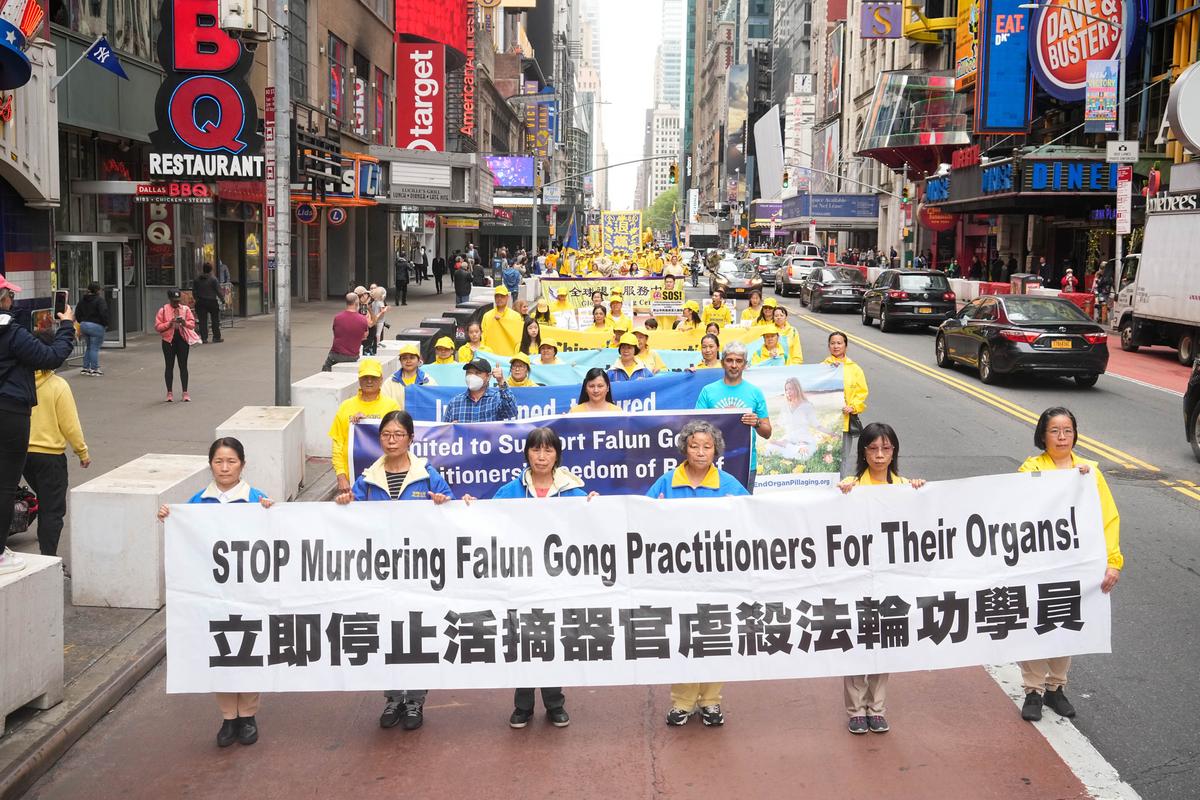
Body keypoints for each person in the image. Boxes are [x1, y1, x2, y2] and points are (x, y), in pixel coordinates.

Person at [333, 410, 453, 732]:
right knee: (386, 633)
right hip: (381, 571)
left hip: (418, 570)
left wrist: (443, 503)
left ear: (411, 439)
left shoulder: (428, 476)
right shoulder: (368, 478)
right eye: (386, 434)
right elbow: (350, 513)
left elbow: (452, 510)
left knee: (415, 633)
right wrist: (345, 501)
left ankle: (414, 700)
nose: (391, 440)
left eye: (399, 434)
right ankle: (392, 698)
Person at [157, 437, 274, 747]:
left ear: (243, 465)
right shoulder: (197, 502)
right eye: (219, 461)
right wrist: (170, 517)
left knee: (248, 650)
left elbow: (276, 538)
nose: (225, 467)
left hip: (249, 591)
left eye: (231, 461)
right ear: (210, 464)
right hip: (212, 594)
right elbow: (187, 540)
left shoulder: (257, 500)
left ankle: (248, 714)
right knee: (221, 651)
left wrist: (273, 513)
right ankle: (228, 717)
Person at [1015, 407, 1122, 723]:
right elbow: (1014, 511)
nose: (1062, 437)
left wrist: (1113, 563)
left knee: (1064, 625)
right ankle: (1032, 691)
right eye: (1054, 431)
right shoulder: (1029, 469)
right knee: (1035, 625)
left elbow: (1108, 519)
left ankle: (1055, 689)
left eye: (1067, 430)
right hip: (1039, 566)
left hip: (1075, 568)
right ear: (1042, 435)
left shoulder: (1090, 473)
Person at [492, 426, 596, 728]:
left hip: (556, 580)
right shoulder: (509, 491)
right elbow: (486, 522)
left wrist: (595, 507)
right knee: (522, 639)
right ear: (526, 454)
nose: (541, 456)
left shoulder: (573, 492)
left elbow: (589, 528)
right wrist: (472, 505)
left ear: (557, 455)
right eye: (536, 450)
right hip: (521, 579)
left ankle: (554, 702)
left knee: (550, 639)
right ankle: (522, 705)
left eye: (548, 450)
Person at [647, 419, 749, 727]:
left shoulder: (729, 485)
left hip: (716, 576)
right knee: (682, 635)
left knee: (713, 636)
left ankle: (710, 701)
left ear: (716, 450)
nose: (701, 452)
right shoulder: (666, 482)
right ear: (684, 448)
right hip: (676, 577)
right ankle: (682, 701)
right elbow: (640, 517)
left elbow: (755, 519)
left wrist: (740, 511)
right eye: (694, 446)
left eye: (707, 447)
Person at [835, 422, 925, 734]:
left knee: (885, 644)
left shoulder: (904, 487)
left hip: (890, 581)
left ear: (894, 451)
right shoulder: (850, 487)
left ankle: (877, 707)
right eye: (872, 448)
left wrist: (918, 494)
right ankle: (855, 708)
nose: (879, 454)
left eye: (886, 448)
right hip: (857, 579)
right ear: (863, 452)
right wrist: (842, 494)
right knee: (859, 644)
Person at [0, 279, 75, 573]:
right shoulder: (11, 334)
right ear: (3, 299)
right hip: (10, 412)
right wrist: (66, 326)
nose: (11, 301)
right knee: (5, 484)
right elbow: (51, 357)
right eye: (8, 296)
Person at [23, 334, 90, 557]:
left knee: (38, 501)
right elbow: (70, 424)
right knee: (52, 509)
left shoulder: (17, 382)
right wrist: (82, 451)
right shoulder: (57, 385)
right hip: (50, 456)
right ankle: (48, 559)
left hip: (21, 454)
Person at [695, 341, 772, 490]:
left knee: (743, 509)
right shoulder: (708, 391)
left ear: (745, 364)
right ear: (723, 363)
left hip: (745, 463)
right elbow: (696, 428)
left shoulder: (755, 392)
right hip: (713, 463)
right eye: (730, 360)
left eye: (739, 361)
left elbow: (767, 432)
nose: (734, 365)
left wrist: (756, 423)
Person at [329, 360, 402, 495]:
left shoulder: (391, 406)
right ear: (359, 379)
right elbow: (337, 445)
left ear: (381, 379)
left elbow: (399, 442)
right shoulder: (346, 407)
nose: (369, 381)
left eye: (373, 378)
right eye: (365, 377)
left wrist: (369, 423)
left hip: (385, 479)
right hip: (351, 480)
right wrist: (341, 476)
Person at [823, 330, 868, 477]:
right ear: (829, 346)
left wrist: (853, 406)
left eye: (839, 343)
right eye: (833, 343)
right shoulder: (822, 367)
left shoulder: (855, 369)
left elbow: (862, 393)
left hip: (845, 421)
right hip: (826, 421)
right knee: (825, 454)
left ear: (845, 346)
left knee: (842, 457)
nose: (836, 346)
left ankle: (840, 484)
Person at [154, 289, 198, 402]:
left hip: (182, 340)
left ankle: (185, 392)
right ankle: (169, 392)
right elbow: (158, 327)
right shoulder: (163, 310)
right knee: (169, 366)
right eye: (174, 301)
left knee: (183, 366)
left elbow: (192, 324)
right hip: (168, 341)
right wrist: (169, 323)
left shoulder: (185, 309)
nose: (176, 303)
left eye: (178, 301)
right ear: (169, 300)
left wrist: (184, 323)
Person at [442, 357, 517, 422]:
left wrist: (501, 381)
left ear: (488, 377)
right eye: (469, 373)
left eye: (477, 373)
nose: (472, 376)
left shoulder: (497, 399)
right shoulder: (455, 403)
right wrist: (451, 428)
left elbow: (511, 412)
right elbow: (444, 434)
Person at [762, 377, 819, 459]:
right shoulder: (785, 407)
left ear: (797, 389)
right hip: (789, 439)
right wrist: (764, 426)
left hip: (803, 439)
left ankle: (786, 445)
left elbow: (816, 424)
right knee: (769, 448)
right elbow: (778, 424)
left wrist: (833, 434)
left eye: (791, 389)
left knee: (803, 455)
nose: (788, 392)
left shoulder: (807, 405)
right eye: (786, 389)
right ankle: (787, 445)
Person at [322, 293, 370, 372]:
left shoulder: (337, 318)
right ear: (356, 303)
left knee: (326, 367)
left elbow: (335, 333)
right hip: (353, 356)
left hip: (336, 355)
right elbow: (365, 336)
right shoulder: (363, 319)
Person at [74, 282, 109, 376]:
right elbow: (103, 313)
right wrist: (105, 324)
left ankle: (85, 368)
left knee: (89, 347)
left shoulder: (82, 300)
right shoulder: (100, 300)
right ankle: (95, 368)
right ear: (97, 290)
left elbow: (77, 313)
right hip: (96, 326)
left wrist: (82, 322)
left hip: (84, 325)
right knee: (94, 348)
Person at [481, 286, 524, 356]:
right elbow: (482, 336)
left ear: (507, 297)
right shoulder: (487, 316)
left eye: (502, 296)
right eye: (497, 296)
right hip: (490, 355)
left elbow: (519, 337)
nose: (499, 298)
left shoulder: (516, 316)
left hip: (509, 356)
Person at [193, 264, 223, 343]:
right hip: (212, 301)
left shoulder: (197, 279)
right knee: (215, 320)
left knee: (202, 321)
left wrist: (197, 299)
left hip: (201, 302)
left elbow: (194, 292)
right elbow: (218, 291)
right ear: (211, 270)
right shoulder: (213, 279)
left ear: (203, 269)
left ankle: (204, 338)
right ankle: (216, 337)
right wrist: (222, 299)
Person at [364, 287, 388, 356]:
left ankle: (376, 343)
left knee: (375, 333)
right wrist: (385, 309)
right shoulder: (381, 303)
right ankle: (378, 343)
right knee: (378, 333)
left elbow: (370, 308)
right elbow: (382, 311)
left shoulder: (374, 302)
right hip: (380, 320)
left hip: (374, 319)